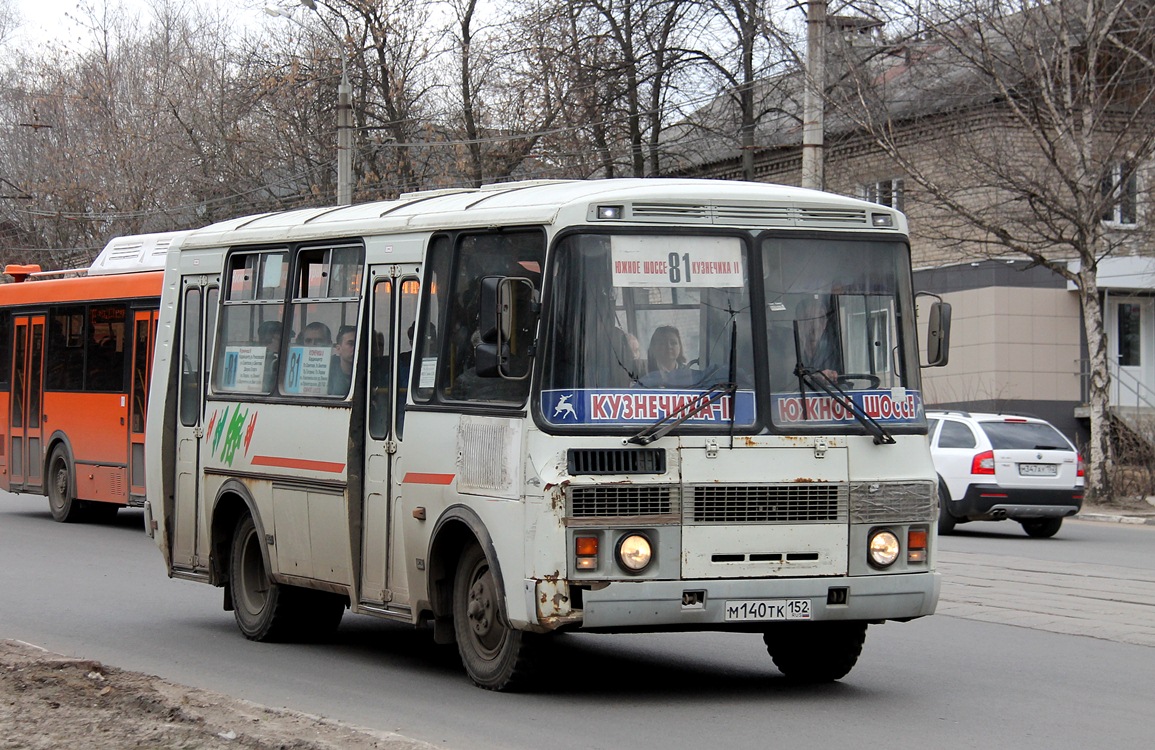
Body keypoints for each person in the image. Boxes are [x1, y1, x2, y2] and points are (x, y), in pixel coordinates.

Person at [795, 297, 842, 382]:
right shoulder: (790, 351)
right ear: (799, 322)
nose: (815, 326)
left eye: (821, 319)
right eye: (809, 319)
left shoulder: (831, 351)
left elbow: (841, 381)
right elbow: (786, 384)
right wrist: (814, 377)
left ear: (825, 323)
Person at [329, 325, 356, 395]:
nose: (356, 348)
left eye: (358, 344)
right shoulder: (328, 374)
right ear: (338, 349)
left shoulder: (370, 374)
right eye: (351, 343)